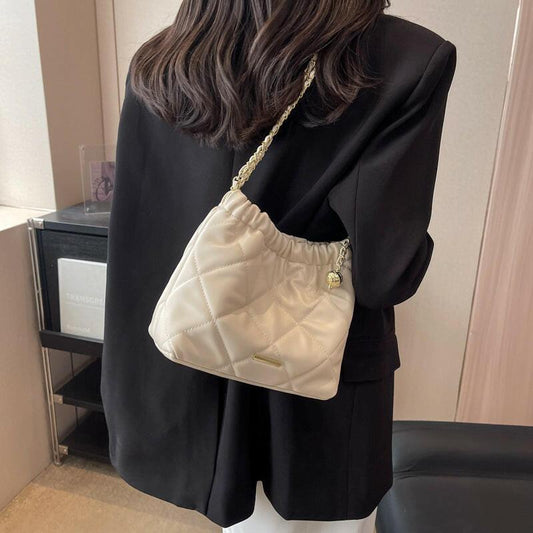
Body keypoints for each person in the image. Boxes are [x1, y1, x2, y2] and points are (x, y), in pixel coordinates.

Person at [100, 1, 457, 531]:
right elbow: (386, 274)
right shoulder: (406, 58)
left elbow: (139, 242)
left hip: (189, 366)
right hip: (312, 388)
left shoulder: (160, 62)